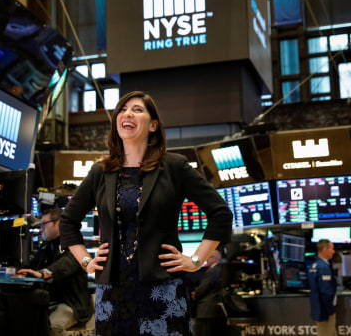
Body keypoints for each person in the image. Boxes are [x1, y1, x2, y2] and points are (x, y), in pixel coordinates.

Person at [59, 91, 233, 336]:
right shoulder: (101, 171)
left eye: (138, 109)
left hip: (162, 290)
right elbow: (67, 221)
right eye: (123, 109)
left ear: (153, 125)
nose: (128, 113)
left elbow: (221, 213)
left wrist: (195, 261)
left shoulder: (174, 166)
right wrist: (86, 261)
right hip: (113, 295)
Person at [17, 208, 93, 336]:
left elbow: (66, 264)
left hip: (72, 303)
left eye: (44, 224)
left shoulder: (73, 243)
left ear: (58, 223)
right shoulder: (47, 245)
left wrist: (44, 273)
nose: (41, 229)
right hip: (49, 301)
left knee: (50, 327)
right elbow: (33, 266)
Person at [191, 249, 226, 336]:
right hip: (217, 311)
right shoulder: (222, 269)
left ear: (214, 258)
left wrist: (196, 293)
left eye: (207, 258)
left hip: (206, 311)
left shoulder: (212, 270)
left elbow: (204, 287)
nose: (206, 260)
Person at [308, 239, 338, 336]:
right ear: (325, 250)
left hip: (319, 309)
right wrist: (330, 310)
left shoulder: (313, 265)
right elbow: (326, 292)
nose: (333, 251)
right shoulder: (323, 267)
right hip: (325, 312)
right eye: (332, 249)